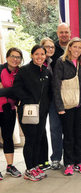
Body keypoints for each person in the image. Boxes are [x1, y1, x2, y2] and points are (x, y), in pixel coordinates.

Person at [53, 37, 81, 176]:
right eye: (75, 46)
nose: (77, 49)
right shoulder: (61, 62)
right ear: (69, 47)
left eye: (80, 47)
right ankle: (69, 163)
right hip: (67, 105)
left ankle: (80, 162)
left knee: (79, 134)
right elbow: (56, 85)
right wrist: (60, 106)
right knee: (69, 135)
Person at [12, 45, 51, 181]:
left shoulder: (46, 71)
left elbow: (49, 92)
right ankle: (29, 170)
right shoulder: (23, 71)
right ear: (32, 55)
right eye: (37, 54)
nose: (39, 57)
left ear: (45, 56)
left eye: (42, 54)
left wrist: (46, 106)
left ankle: (35, 166)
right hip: (28, 111)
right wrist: (30, 100)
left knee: (38, 139)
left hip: (42, 112)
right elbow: (17, 90)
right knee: (30, 140)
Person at [49, 23, 71, 169]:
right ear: (57, 34)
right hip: (53, 97)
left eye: (66, 32)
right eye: (61, 32)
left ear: (70, 33)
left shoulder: (75, 48)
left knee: (69, 129)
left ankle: (70, 157)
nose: (63, 34)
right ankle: (56, 158)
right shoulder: (52, 49)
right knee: (55, 128)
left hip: (70, 96)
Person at [39, 37, 62, 170]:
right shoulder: (37, 62)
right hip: (40, 102)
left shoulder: (55, 62)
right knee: (40, 131)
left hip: (53, 100)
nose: (50, 49)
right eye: (47, 47)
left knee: (54, 129)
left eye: (52, 47)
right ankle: (40, 161)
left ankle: (56, 158)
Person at [0, 48, 23, 180]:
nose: (15, 59)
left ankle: (10, 167)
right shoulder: (0, 69)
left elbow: (19, 91)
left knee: (8, 138)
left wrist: (6, 89)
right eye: (13, 56)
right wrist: (12, 90)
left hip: (10, 109)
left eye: (18, 57)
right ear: (7, 57)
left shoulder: (20, 72)